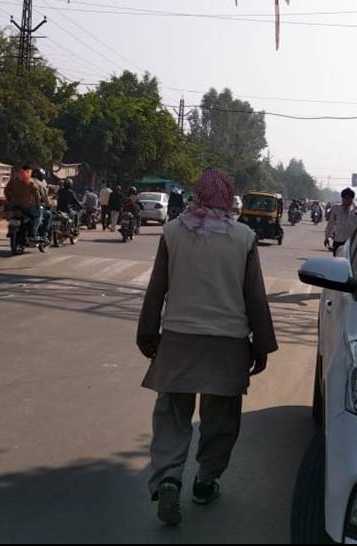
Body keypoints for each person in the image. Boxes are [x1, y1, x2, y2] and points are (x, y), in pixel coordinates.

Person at [136, 169, 277, 526]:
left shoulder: (173, 232)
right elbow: (255, 297)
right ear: (229, 198)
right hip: (228, 345)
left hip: (178, 340)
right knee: (221, 420)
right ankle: (205, 481)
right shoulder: (243, 237)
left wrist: (147, 334)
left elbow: (157, 289)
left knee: (171, 415)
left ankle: (169, 478)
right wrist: (261, 346)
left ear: (197, 194)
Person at [4, 164, 42, 240]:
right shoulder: (30, 182)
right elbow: (37, 195)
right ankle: (32, 234)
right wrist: (38, 205)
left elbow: (6, 191)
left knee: (12, 217)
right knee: (37, 216)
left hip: (13, 205)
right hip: (26, 207)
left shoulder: (13, 180)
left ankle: (11, 230)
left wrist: (9, 200)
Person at [325, 187, 357, 256]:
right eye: (345, 198)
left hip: (352, 242)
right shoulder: (336, 208)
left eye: (348, 198)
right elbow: (330, 224)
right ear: (342, 198)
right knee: (337, 260)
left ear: (352, 198)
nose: (346, 200)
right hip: (338, 241)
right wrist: (327, 237)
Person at [32, 167, 53, 241]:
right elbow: (45, 198)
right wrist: (49, 205)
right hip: (35, 207)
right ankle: (43, 234)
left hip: (23, 206)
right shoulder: (40, 184)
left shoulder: (26, 181)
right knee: (48, 214)